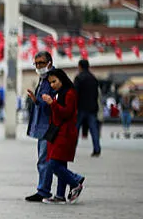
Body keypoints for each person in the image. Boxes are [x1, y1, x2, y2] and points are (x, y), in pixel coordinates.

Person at [39, 69, 85, 204]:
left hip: (65, 133)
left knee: (53, 163)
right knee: (60, 163)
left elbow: (66, 113)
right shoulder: (59, 93)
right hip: (57, 132)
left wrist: (52, 104)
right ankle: (60, 196)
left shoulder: (70, 93)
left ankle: (75, 180)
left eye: (54, 81)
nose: (52, 85)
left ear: (62, 79)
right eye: (50, 82)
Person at [24, 51, 55, 202]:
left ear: (49, 62)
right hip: (42, 125)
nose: (38, 66)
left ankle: (44, 190)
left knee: (45, 160)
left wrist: (38, 101)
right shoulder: (43, 78)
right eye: (36, 64)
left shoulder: (53, 79)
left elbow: (52, 102)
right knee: (45, 160)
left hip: (49, 125)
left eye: (41, 63)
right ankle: (44, 189)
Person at [73, 59, 101, 157]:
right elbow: (96, 94)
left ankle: (71, 149)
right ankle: (97, 149)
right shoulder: (93, 78)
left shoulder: (79, 78)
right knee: (94, 130)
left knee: (75, 130)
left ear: (80, 66)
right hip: (92, 108)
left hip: (80, 108)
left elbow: (74, 94)